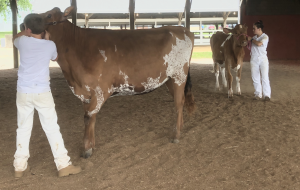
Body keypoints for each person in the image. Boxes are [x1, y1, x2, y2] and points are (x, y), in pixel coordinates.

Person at [13, 13, 82, 178]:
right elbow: (55, 58)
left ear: (28, 29)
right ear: (44, 29)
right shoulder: (50, 45)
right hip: (42, 91)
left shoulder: (22, 41)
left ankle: (19, 167)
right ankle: (63, 165)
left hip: (23, 91)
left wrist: (25, 33)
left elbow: (16, 37)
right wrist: (48, 39)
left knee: (23, 128)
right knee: (52, 128)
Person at [248, 20, 271, 101]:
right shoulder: (254, 38)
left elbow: (259, 44)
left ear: (259, 29)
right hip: (254, 58)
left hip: (262, 58)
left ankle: (266, 95)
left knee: (264, 77)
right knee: (255, 77)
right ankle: (258, 94)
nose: (253, 30)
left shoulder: (265, 37)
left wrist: (251, 40)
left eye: (254, 28)